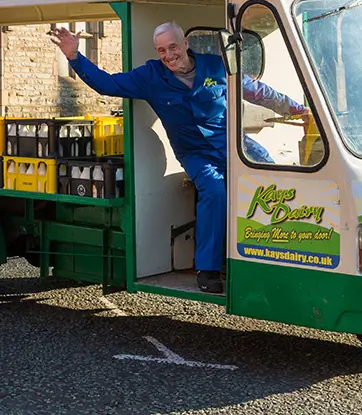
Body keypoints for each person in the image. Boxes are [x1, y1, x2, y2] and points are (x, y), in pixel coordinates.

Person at [51, 22, 308, 293]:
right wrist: (74, 56)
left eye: (173, 47)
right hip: (195, 153)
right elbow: (107, 84)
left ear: (185, 44)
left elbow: (258, 92)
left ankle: (278, 255)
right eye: (161, 50)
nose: (168, 55)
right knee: (214, 191)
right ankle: (208, 269)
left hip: (233, 143)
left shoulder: (217, 66)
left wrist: (297, 109)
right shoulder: (150, 76)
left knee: (272, 180)